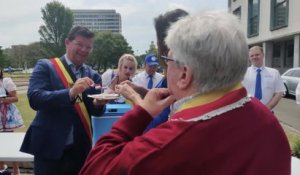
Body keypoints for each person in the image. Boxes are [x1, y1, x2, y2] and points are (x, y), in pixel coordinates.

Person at [80, 11, 291, 175]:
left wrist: (141, 112)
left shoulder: (170, 142)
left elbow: (95, 167)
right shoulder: (266, 120)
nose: (165, 68)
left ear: (184, 75)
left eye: (168, 61)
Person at [20, 26, 106, 175]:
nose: (84, 50)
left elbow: (95, 111)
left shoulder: (93, 75)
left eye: (88, 47)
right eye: (79, 44)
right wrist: (70, 93)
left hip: (80, 149)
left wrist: (99, 104)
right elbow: (35, 99)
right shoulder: (46, 66)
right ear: (67, 42)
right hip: (49, 146)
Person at [243, 46, 285, 110]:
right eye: (252, 56)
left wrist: (268, 107)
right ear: (249, 58)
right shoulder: (243, 73)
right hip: (248, 111)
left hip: (268, 112)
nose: (254, 57)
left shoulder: (274, 73)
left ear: (263, 55)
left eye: (257, 54)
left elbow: (279, 92)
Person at [0, 68, 23, 175]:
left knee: (11, 142)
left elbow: (15, 98)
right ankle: (1, 169)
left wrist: (2, 99)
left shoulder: (6, 81)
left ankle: (16, 171)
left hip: (7, 115)